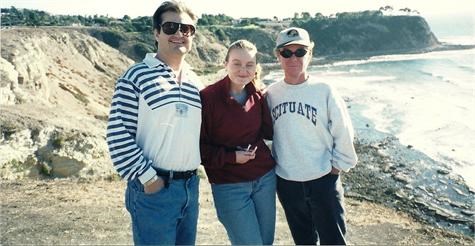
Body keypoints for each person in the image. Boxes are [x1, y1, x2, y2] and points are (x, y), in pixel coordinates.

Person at [106, 1, 203, 245]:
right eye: (171, 27)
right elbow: (118, 134)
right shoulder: (136, 76)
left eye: (187, 29)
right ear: (156, 33)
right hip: (154, 190)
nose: (179, 34)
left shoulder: (196, 82)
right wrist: (149, 179)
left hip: (190, 188)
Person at [265, 27, 358, 245]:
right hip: (287, 183)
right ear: (278, 55)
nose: (293, 58)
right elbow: (264, 135)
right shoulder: (270, 94)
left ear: (310, 54)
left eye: (300, 52)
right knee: (304, 242)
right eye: (286, 53)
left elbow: (343, 131)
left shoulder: (324, 90)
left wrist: (336, 168)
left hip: (323, 180)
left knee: (334, 241)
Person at [200, 39, 276, 245]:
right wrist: (232, 157)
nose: (243, 70)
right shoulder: (207, 98)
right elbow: (199, 149)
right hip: (229, 185)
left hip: (265, 180)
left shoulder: (258, 95)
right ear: (225, 64)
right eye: (237, 63)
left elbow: (269, 133)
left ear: (256, 68)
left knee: (265, 242)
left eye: (249, 65)